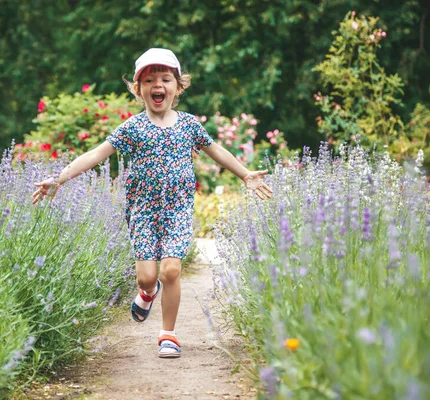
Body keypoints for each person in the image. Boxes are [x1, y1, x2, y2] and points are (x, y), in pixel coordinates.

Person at [32, 48, 273, 358]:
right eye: (149, 80)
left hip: (178, 209)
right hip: (143, 211)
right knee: (148, 277)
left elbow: (217, 151)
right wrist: (60, 178)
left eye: (165, 79)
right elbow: (95, 154)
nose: (158, 85)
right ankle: (147, 292)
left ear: (178, 86)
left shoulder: (188, 125)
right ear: (139, 89)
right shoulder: (132, 128)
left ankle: (168, 334)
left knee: (171, 270)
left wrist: (244, 175)